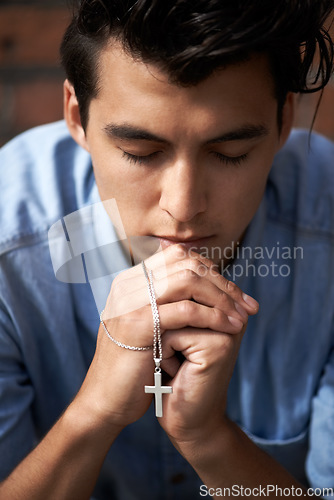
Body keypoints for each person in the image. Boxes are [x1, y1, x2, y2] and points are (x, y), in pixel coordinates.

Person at [0, 0, 334, 498]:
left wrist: (209, 438)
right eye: (141, 153)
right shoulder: (10, 246)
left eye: (229, 154)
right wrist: (94, 413)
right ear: (77, 117)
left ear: (284, 122)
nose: (182, 207)